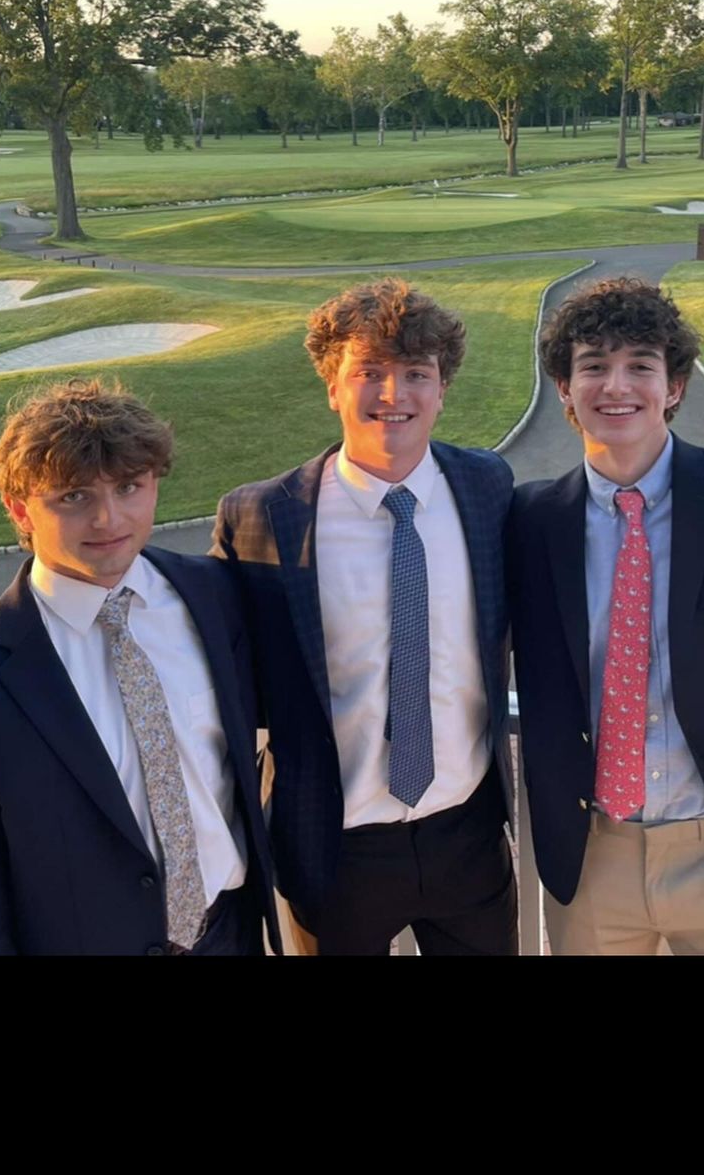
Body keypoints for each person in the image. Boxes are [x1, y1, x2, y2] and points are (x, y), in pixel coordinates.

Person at [509, 277, 704, 955]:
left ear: (674, 386)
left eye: (641, 366)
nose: (616, 386)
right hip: (594, 857)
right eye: (594, 365)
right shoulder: (532, 520)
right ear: (564, 387)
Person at [213, 278, 516, 956]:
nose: (393, 393)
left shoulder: (487, 485)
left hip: (468, 835)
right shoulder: (261, 516)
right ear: (332, 385)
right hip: (334, 849)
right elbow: (217, 663)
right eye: (369, 371)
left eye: (416, 373)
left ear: (442, 388)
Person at [0, 380, 279, 956]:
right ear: (19, 507)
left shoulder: (214, 595)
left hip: (230, 932)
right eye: (73, 496)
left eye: (128, 487)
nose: (108, 518)